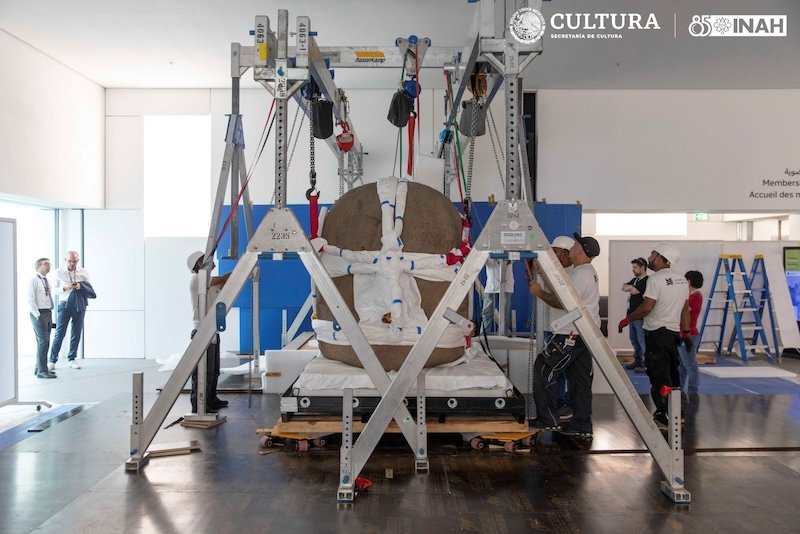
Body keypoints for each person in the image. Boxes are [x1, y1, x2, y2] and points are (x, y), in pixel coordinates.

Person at [527, 233, 601, 438]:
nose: (572, 249)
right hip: (582, 333)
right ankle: (582, 424)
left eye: (574, 246)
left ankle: (548, 420)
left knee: (544, 369)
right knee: (579, 380)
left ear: (579, 251)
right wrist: (543, 276)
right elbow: (561, 291)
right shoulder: (583, 272)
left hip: (571, 333)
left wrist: (539, 293)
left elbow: (563, 302)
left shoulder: (581, 274)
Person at [618, 243, 689, 429]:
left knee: (659, 377)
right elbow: (685, 310)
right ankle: (678, 414)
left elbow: (647, 307)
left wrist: (628, 319)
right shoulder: (682, 280)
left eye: (652, 254)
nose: (649, 257)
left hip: (657, 335)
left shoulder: (655, 279)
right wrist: (686, 332)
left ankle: (665, 416)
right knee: (673, 376)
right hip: (673, 334)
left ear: (660, 258)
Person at [530, 235, 576, 422]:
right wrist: (540, 273)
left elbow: (560, 300)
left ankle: (557, 407)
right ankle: (558, 405)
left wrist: (540, 290)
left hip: (565, 330)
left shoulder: (573, 274)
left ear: (566, 253)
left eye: (556, 252)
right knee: (558, 371)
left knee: (555, 371)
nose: (554, 256)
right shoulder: (561, 271)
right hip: (554, 326)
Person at [188, 251, 232, 413]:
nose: (211, 260)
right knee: (203, 372)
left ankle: (211, 400)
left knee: (213, 370)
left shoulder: (208, 281)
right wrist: (242, 268)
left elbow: (224, 284)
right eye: (206, 258)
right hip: (202, 331)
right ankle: (199, 404)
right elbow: (223, 279)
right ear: (199, 264)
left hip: (212, 331)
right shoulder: (198, 279)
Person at [49, 251, 91, 370]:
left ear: (78, 261)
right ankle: (52, 360)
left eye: (74, 261)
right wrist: (64, 288)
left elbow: (89, 287)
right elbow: (53, 290)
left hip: (79, 304)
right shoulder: (58, 272)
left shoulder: (83, 272)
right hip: (65, 304)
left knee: (76, 332)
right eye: (70, 261)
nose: (72, 263)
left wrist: (80, 286)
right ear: (65, 260)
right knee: (59, 333)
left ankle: (72, 359)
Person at [28, 258, 56, 379]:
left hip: (48, 312)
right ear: (38, 266)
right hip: (39, 314)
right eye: (46, 264)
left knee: (45, 342)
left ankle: (39, 367)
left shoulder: (47, 280)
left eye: (49, 264)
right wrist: (37, 315)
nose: (49, 266)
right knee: (43, 342)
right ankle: (42, 371)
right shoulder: (33, 280)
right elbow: (30, 299)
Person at [679, 270, 704, 395]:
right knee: (682, 364)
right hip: (682, 333)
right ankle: (679, 388)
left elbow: (683, 310)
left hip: (689, 334)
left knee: (690, 364)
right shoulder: (689, 296)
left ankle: (693, 391)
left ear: (688, 281)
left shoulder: (696, 297)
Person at [622, 258, 649, 372]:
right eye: (633, 267)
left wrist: (631, 288)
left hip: (640, 317)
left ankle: (646, 364)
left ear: (642, 267)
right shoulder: (636, 280)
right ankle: (637, 361)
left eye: (635, 267)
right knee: (634, 340)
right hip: (632, 316)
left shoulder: (646, 280)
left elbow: (634, 291)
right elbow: (623, 286)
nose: (633, 270)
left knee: (642, 341)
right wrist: (631, 287)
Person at [482, 259, 514, 335]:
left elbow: (512, 258)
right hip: (491, 285)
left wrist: (504, 260)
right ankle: (483, 337)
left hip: (506, 285)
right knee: (486, 313)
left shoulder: (510, 250)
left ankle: (503, 337)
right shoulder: (486, 251)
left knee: (504, 315)